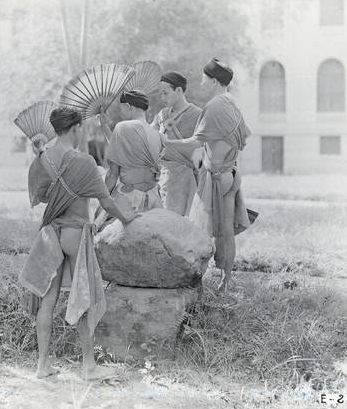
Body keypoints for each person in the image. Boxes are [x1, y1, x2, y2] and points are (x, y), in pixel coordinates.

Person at [18, 107, 140, 380]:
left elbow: (44, 198)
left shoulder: (42, 158)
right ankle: (88, 366)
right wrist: (127, 218)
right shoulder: (83, 161)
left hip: (51, 232)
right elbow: (106, 202)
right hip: (75, 232)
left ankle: (42, 366)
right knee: (84, 296)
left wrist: (41, 159)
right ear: (75, 128)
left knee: (48, 302)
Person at [164, 58, 252, 291]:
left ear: (214, 81)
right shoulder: (232, 103)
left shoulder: (214, 106)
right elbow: (243, 138)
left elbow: (194, 141)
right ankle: (225, 281)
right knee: (225, 232)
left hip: (216, 177)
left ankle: (197, 283)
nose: (201, 83)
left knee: (199, 230)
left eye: (204, 80)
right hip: (232, 174)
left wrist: (166, 141)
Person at [95, 90, 164, 229]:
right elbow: (125, 149)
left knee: (98, 228)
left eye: (121, 108)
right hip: (153, 199)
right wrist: (104, 126)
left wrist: (103, 200)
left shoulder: (123, 127)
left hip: (129, 199)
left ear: (127, 106)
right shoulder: (156, 134)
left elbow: (112, 174)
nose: (121, 113)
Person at [150, 71, 202, 216]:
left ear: (179, 90)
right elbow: (147, 135)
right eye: (160, 94)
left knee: (177, 222)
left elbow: (199, 143)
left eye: (165, 93)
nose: (162, 98)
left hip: (183, 178)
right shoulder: (162, 114)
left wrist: (169, 142)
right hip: (161, 175)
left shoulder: (197, 114)